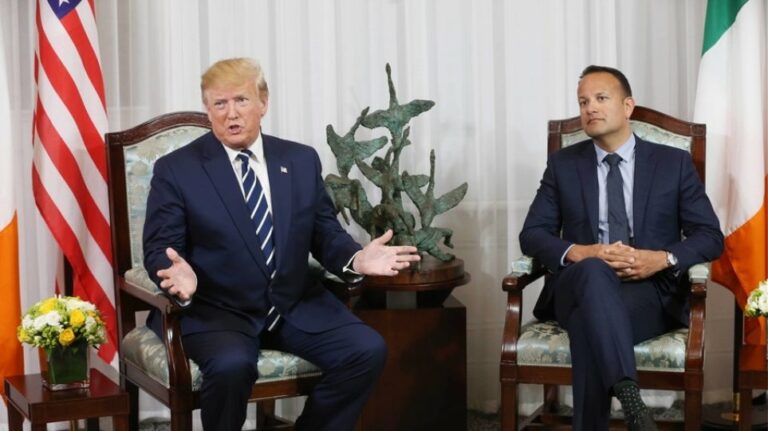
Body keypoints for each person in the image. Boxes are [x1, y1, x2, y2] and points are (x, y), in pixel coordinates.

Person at [142, 57, 421, 431]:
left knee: (366, 350)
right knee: (231, 367)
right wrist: (176, 274)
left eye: (241, 100)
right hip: (218, 309)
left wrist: (355, 258)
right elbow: (161, 246)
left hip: (294, 303)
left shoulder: (299, 159)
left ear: (263, 102)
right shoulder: (178, 169)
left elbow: (324, 232)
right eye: (219, 103)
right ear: (207, 109)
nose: (231, 113)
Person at [519, 65, 723, 431]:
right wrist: (583, 252)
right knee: (593, 271)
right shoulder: (564, 164)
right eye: (583, 102)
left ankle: (625, 400)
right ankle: (630, 395)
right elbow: (532, 234)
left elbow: (710, 235)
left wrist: (661, 258)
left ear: (628, 106)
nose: (590, 108)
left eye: (600, 98)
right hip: (577, 284)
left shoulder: (672, 163)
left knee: (588, 323)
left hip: (647, 292)